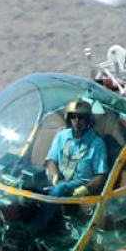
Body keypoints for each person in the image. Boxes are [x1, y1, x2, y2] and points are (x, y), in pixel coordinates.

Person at [28, 99, 109, 233]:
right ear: (68, 119)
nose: (77, 121)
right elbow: (51, 160)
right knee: (28, 181)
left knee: (61, 188)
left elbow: (101, 176)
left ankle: (32, 229)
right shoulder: (61, 136)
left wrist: (84, 189)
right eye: (73, 117)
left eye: (81, 117)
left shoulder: (96, 143)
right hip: (58, 179)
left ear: (88, 120)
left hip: (78, 184)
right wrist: (54, 175)